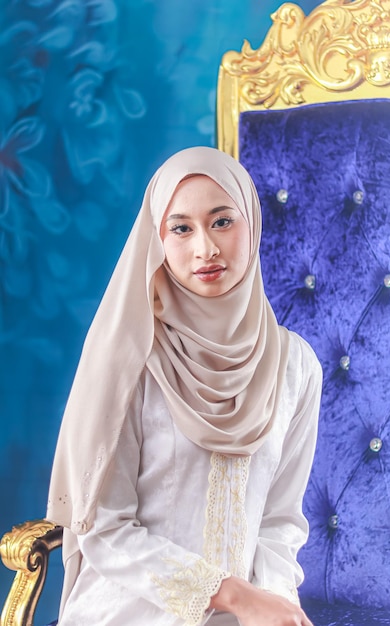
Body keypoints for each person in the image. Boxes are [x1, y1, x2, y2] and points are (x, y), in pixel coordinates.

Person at [47, 146, 322, 626]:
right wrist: (230, 594)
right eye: (181, 229)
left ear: (251, 224)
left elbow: (280, 521)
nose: (205, 249)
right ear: (158, 241)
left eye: (221, 222)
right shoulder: (132, 360)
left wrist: (274, 605)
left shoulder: (295, 365)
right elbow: (106, 530)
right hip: (132, 610)